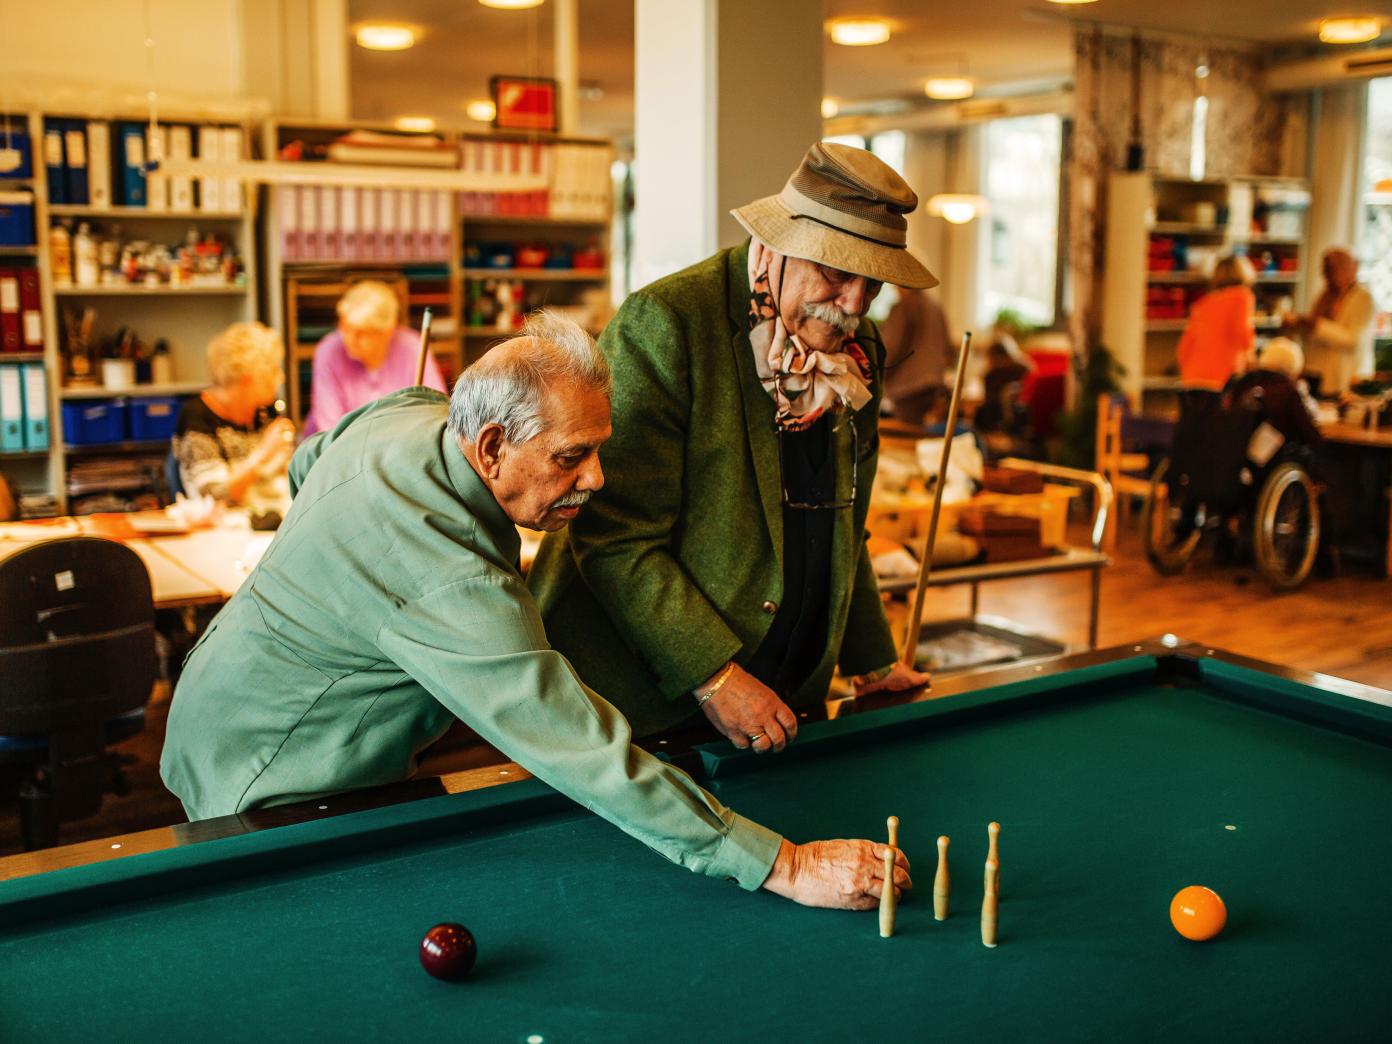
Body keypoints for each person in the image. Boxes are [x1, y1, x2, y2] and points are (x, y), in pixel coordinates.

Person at [160, 312, 910, 912]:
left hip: (215, 692)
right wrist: (780, 863)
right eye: (569, 458)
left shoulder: (412, 412)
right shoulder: (449, 581)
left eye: (598, 450)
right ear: (490, 446)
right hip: (264, 770)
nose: (597, 479)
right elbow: (580, 749)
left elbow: (306, 462)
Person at [528, 143, 933, 750]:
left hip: (785, 694)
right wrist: (713, 677)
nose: (854, 305)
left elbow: (846, 525)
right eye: (837, 273)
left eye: (872, 285)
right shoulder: (665, 322)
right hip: (641, 704)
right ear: (779, 246)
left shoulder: (860, 348)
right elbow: (615, 536)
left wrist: (872, 659)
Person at [172, 321, 295, 512]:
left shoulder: (266, 410)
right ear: (247, 379)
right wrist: (262, 454)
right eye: (273, 371)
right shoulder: (197, 417)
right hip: (227, 528)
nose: (280, 377)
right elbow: (214, 497)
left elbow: (288, 479)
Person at [303, 280, 447, 436]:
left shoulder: (413, 348)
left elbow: (435, 413)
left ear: (387, 331)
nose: (349, 338)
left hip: (398, 448)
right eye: (344, 327)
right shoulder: (328, 351)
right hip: (343, 449)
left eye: (362, 332)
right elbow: (329, 428)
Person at [1282, 248, 1375, 396]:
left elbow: (1353, 339)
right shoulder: (1325, 296)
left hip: (1343, 377)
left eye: (1332, 270)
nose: (1328, 276)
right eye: (1326, 270)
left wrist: (1317, 325)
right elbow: (1312, 334)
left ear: (1350, 268)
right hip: (1315, 371)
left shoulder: (1363, 298)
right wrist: (1298, 325)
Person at [1177, 254, 1256, 416]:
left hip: (1192, 378)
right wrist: (1252, 361)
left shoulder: (1204, 303)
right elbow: (1242, 331)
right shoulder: (1242, 296)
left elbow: (1183, 349)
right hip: (1222, 378)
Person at [1224, 337, 1321, 451]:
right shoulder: (1286, 391)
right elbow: (1310, 435)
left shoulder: (1243, 382)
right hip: (1273, 459)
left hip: (1235, 452)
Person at [879, 288, 953, 425]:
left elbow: (890, 350)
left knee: (905, 438)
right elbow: (948, 350)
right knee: (920, 435)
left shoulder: (904, 307)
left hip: (907, 387)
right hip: (933, 385)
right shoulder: (935, 306)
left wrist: (874, 375)